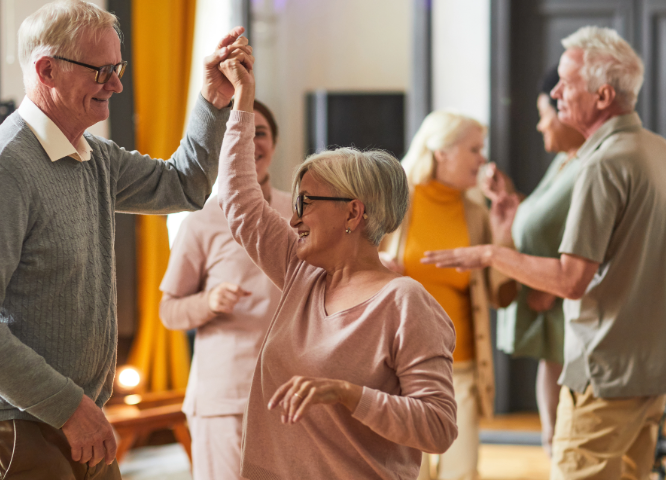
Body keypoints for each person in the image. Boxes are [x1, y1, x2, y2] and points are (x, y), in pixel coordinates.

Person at [422, 26, 666, 480]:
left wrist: (492, 254)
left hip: (605, 376)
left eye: (566, 83)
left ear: (603, 95)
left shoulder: (602, 164)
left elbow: (571, 281)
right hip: (659, 371)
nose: (555, 92)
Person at [0, 1, 247, 478]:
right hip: (24, 427)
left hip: (77, 419)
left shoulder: (95, 156)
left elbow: (185, 185)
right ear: (47, 70)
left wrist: (212, 101)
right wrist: (70, 408)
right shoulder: (9, 167)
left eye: (118, 68)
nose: (115, 84)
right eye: (102, 71)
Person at [214, 46, 458, 479]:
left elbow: (438, 427)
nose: (293, 217)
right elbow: (240, 201)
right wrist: (242, 101)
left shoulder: (404, 302)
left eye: (306, 202)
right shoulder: (299, 271)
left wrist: (348, 394)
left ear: (353, 212)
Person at [159, 99, 291, 480]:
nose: (251, 142)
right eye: (241, 133)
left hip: (291, 395)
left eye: (260, 133)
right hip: (226, 398)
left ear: (274, 144)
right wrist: (208, 302)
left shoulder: (298, 215)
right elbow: (169, 311)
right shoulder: (201, 218)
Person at [380, 111, 515, 480]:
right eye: (474, 149)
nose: (482, 159)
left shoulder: (475, 213)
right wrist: (376, 264)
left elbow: (502, 294)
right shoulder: (392, 202)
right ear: (442, 152)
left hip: (462, 368)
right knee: (408, 472)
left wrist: (503, 233)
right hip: (399, 368)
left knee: (462, 471)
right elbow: (350, 266)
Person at [483, 67, 585, 457]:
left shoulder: (588, 168)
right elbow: (546, 218)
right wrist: (510, 199)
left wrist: (555, 292)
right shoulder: (562, 162)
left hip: (566, 305)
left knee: (572, 441)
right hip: (550, 311)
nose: (541, 125)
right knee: (556, 439)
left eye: (545, 113)